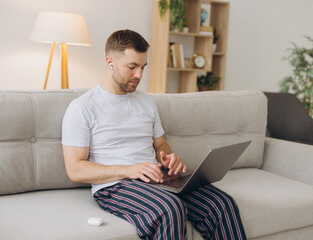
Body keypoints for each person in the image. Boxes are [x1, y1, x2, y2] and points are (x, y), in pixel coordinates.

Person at [62, 29, 247, 240]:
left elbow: (160, 144)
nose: (139, 75)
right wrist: (129, 170)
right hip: (115, 186)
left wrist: (167, 158)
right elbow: (75, 169)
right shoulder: (82, 108)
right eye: (132, 67)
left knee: (222, 203)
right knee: (170, 209)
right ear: (109, 62)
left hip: (156, 179)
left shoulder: (146, 102)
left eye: (142, 67)